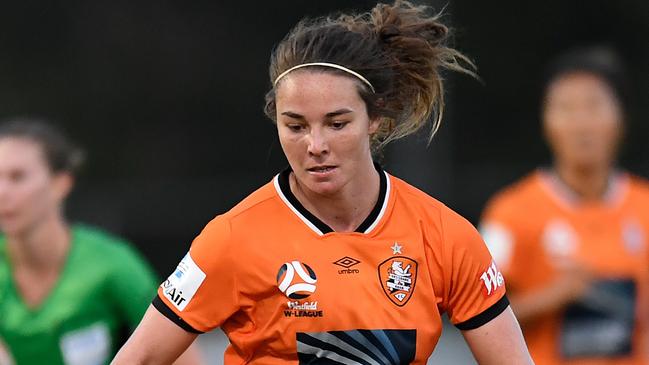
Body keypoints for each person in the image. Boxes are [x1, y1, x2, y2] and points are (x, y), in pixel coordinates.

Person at [113, 1, 533, 364]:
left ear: (376, 119)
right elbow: (139, 358)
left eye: (337, 123)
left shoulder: (444, 236)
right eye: (295, 125)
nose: (315, 145)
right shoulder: (231, 239)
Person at [480, 47, 649, 364]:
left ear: (621, 117)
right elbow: (475, 312)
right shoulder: (510, 212)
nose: (581, 123)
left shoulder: (645, 207)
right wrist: (552, 297)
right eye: (566, 108)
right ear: (546, 120)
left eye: (594, 106)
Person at [0, 119, 202, 364]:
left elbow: (185, 360)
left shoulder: (112, 264)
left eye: (17, 177)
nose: (2, 191)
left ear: (60, 184)